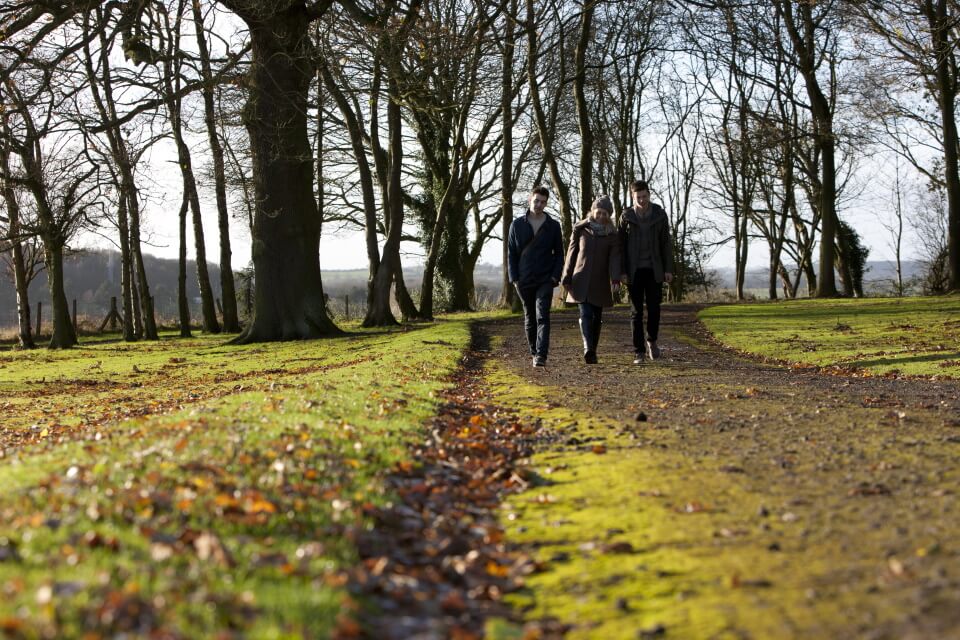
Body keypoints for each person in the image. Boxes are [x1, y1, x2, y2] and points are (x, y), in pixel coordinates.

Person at [508, 185, 564, 367]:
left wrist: (555, 277)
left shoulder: (553, 226)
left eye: (543, 202)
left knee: (543, 315)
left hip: (545, 279)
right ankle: (534, 351)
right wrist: (514, 279)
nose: (539, 205)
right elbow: (511, 254)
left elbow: (559, 254)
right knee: (530, 317)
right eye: (536, 201)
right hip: (523, 279)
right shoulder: (516, 225)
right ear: (530, 200)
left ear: (546, 204)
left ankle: (541, 355)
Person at [561, 195, 622, 364]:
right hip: (580, 279)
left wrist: (615, 279)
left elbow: (615, 259)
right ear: (593, 211)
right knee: (585, 314)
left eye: (605, 213)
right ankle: (587, 347)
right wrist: (566, 277)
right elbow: (571, 253)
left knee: (596, 317)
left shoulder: (612, 235)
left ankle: (592, 350)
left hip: (600, 282)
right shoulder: (581, 230)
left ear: (609, 215)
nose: (601, 216)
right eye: (598, 212)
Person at [619, 179, 673, 364]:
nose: (642, 200)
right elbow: (620, 246)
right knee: (636, 312)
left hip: (654, 269)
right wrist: (622, 271)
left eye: (644, 196)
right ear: (632, 197)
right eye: (638, 197)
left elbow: (666, 243)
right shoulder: (626, 217)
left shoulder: (659, 215)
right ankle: (639, 351)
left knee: (654, 308)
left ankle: (652, 340)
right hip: (633, 271)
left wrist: (668, 269)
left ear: (649, 195)